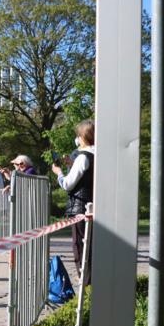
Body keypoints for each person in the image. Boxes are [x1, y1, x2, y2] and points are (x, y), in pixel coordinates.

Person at [52, 120, 95, 287]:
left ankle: (84, 279)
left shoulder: (83, 156)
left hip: (80, 206)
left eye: (78, 135)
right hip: (93, 203)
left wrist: (59, 173)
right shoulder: (96, 154)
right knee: (91, 244)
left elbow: (67, 184)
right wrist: (72, 164)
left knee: (80, 244)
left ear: (82, 137)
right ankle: (90, 278)